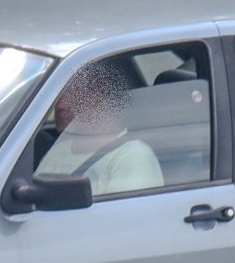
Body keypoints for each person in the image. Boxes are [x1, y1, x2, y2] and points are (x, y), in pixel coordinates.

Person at [36, 62, 163, 196]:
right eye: (59, 95)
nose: (60, 105)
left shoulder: (132, 156)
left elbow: (125, 215)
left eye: (75, 95)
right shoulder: (60, 148)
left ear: (103, 98)